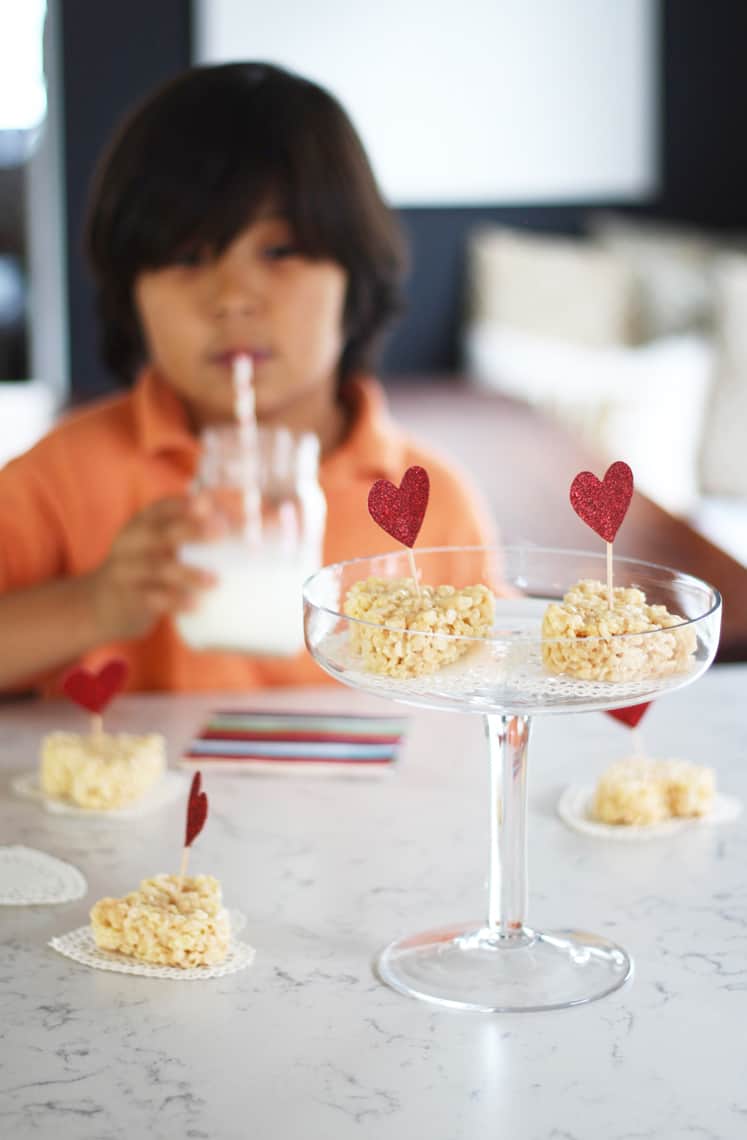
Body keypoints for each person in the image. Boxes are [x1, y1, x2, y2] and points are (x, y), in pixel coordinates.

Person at [0, 62, 499, 694]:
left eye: (279, 251)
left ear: (354, 277)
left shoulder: (429, 506)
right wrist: (91, 606)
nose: (232, 297)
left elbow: (494, 689)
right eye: (187, 257)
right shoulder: (61, 482)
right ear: (131, 293)